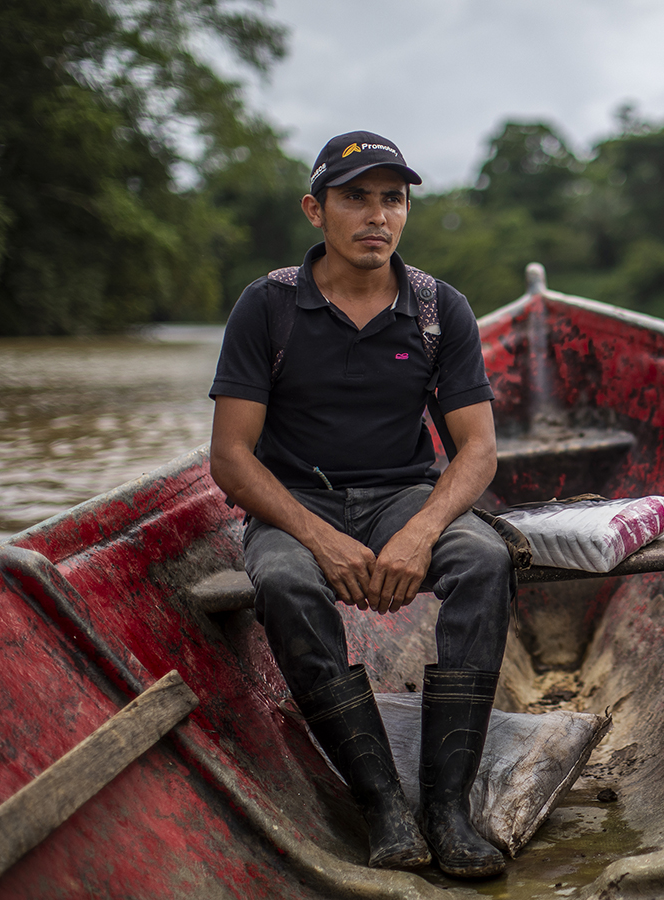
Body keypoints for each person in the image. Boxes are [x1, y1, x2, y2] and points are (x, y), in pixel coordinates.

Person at [208, 131, 512, 879]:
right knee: (285, 580)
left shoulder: (438, 308)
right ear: (315, 210)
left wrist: (420, 532)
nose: (377, 216)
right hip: (294, 501)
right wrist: (321, 539)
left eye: (393, 199)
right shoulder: (268, 305)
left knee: (484, 559)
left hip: (402, 496)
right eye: (355, 198)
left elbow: (477, 450)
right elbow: (232, 458)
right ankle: (380, 802)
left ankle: (447, 807)